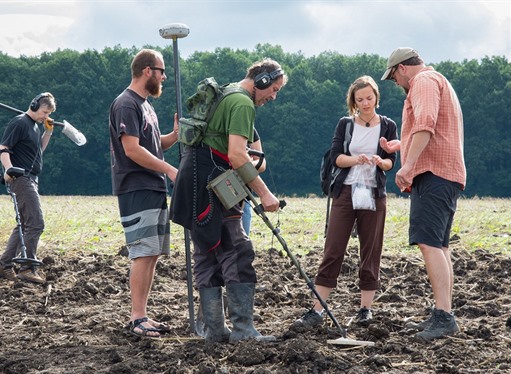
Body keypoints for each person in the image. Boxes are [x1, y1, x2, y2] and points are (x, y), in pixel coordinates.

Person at [170, 58, 287, 343]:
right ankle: (243, 329)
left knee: (207, 252)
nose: (273, 96)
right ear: (260, 81)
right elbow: (237, 154)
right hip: (214, 183)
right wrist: (265, 193)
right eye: (273, 88)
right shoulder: (243, 103)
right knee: (237, 249)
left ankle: (215, 330)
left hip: (193, 179)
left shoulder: (227, 91)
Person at [293, 76, 398, 328]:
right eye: (359, 99)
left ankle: (365, 309)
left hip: (374, 193)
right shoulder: (345, 124)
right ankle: (317, 310)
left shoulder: (388, 125)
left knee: (371, 250)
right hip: (346, 192)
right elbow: (336, 157)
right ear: (353, 101)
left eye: (369, 98)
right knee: (333, 249)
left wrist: (379, 162)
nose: (365, 103)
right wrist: (356, 160)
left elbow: (391, 163)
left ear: (376, 97)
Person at [380, 47, 466, 342]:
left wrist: (408, 166)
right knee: (439, 245)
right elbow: (432, 130)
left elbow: (426, 125)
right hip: (446, 173)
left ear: (402, 68)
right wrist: (401, 145)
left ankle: (443, 317)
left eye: (393, 78)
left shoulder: (423, 82)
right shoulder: (438, 80)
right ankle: (444, 313)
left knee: (429, 243)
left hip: (433, 173)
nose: (396, 84)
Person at [109, 49, 179, 338]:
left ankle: (143, 314)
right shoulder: (127, 103)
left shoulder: (146, 105)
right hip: (136, 187)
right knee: (142, 253)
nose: (164, 77)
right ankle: (137, 317)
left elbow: (152, 144)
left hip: (152, 186)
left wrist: (173, 137)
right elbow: (133, 150)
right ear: (148, 71)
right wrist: (171, 170)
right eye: (161, 71)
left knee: (152, 254)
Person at [0, 92, 57, 284]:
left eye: (48, 114)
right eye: (44, 112)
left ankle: (4, 265)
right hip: (21, 178)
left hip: (31, 178)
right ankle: (27, 268)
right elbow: (3, 149)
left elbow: (39, 151)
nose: (45, 116)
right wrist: (8, 169)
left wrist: (48, 131)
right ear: (35, 105)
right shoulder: (19, 122)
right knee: (36, 223)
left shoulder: (35, 127)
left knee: (23, 224)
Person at [242, 128, 266, 235]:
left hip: (244, 197)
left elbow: (262, 163)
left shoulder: (249, 128)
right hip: (214, 197)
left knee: (240, 245)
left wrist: (247, 164)